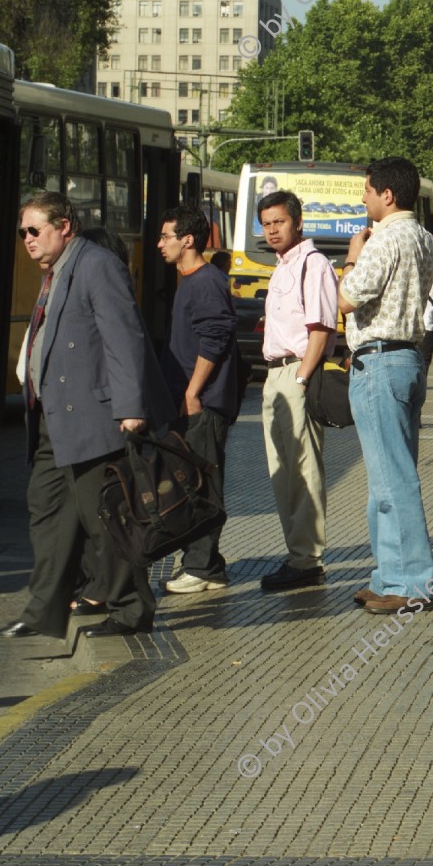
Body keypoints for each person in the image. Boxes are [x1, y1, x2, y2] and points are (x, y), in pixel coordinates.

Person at [0, 192, 172, 639]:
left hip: (92, 417)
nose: (27, 240)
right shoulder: (55, 272)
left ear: (64, 226)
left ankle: (132, 609)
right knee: (46, 511)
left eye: (35, 230)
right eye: (23, 233)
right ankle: (42, 611)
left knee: (106, 521)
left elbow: (124, 336)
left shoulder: (95, 264)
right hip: (54, 418)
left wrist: (130, 407)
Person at [338, 157, 433, 614]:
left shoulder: (384, 240)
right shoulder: (422, 238)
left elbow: (346, 297)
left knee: (392, 479)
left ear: (387, 195)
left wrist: (352, 254)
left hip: (379, 361)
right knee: (387, 476)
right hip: (408, 359)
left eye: (366, 191)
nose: (363, 198)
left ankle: (409, 584)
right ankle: (388, 574)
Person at [256, 191, 338, 592]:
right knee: (282, 472)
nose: (272, 230)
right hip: (276, 375)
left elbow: (321, 327)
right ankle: (297, 554)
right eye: (267, 223)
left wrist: (303, 379)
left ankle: (306, 560)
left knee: (303, 469)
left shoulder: (313, 263)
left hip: (296, 373)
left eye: (279, 222)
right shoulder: (281, 267)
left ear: (298, 222)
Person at [157, 207, 240, 595]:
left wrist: (192, 392)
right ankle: (207, 562)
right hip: (192, 401)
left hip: (203, 403)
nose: (159, 244)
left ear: (187, 240)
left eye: (165, 237)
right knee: (192, 479)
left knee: (203, 483)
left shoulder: (205, 282)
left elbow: (216, 338)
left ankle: (202, 567)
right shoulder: (190, 279)